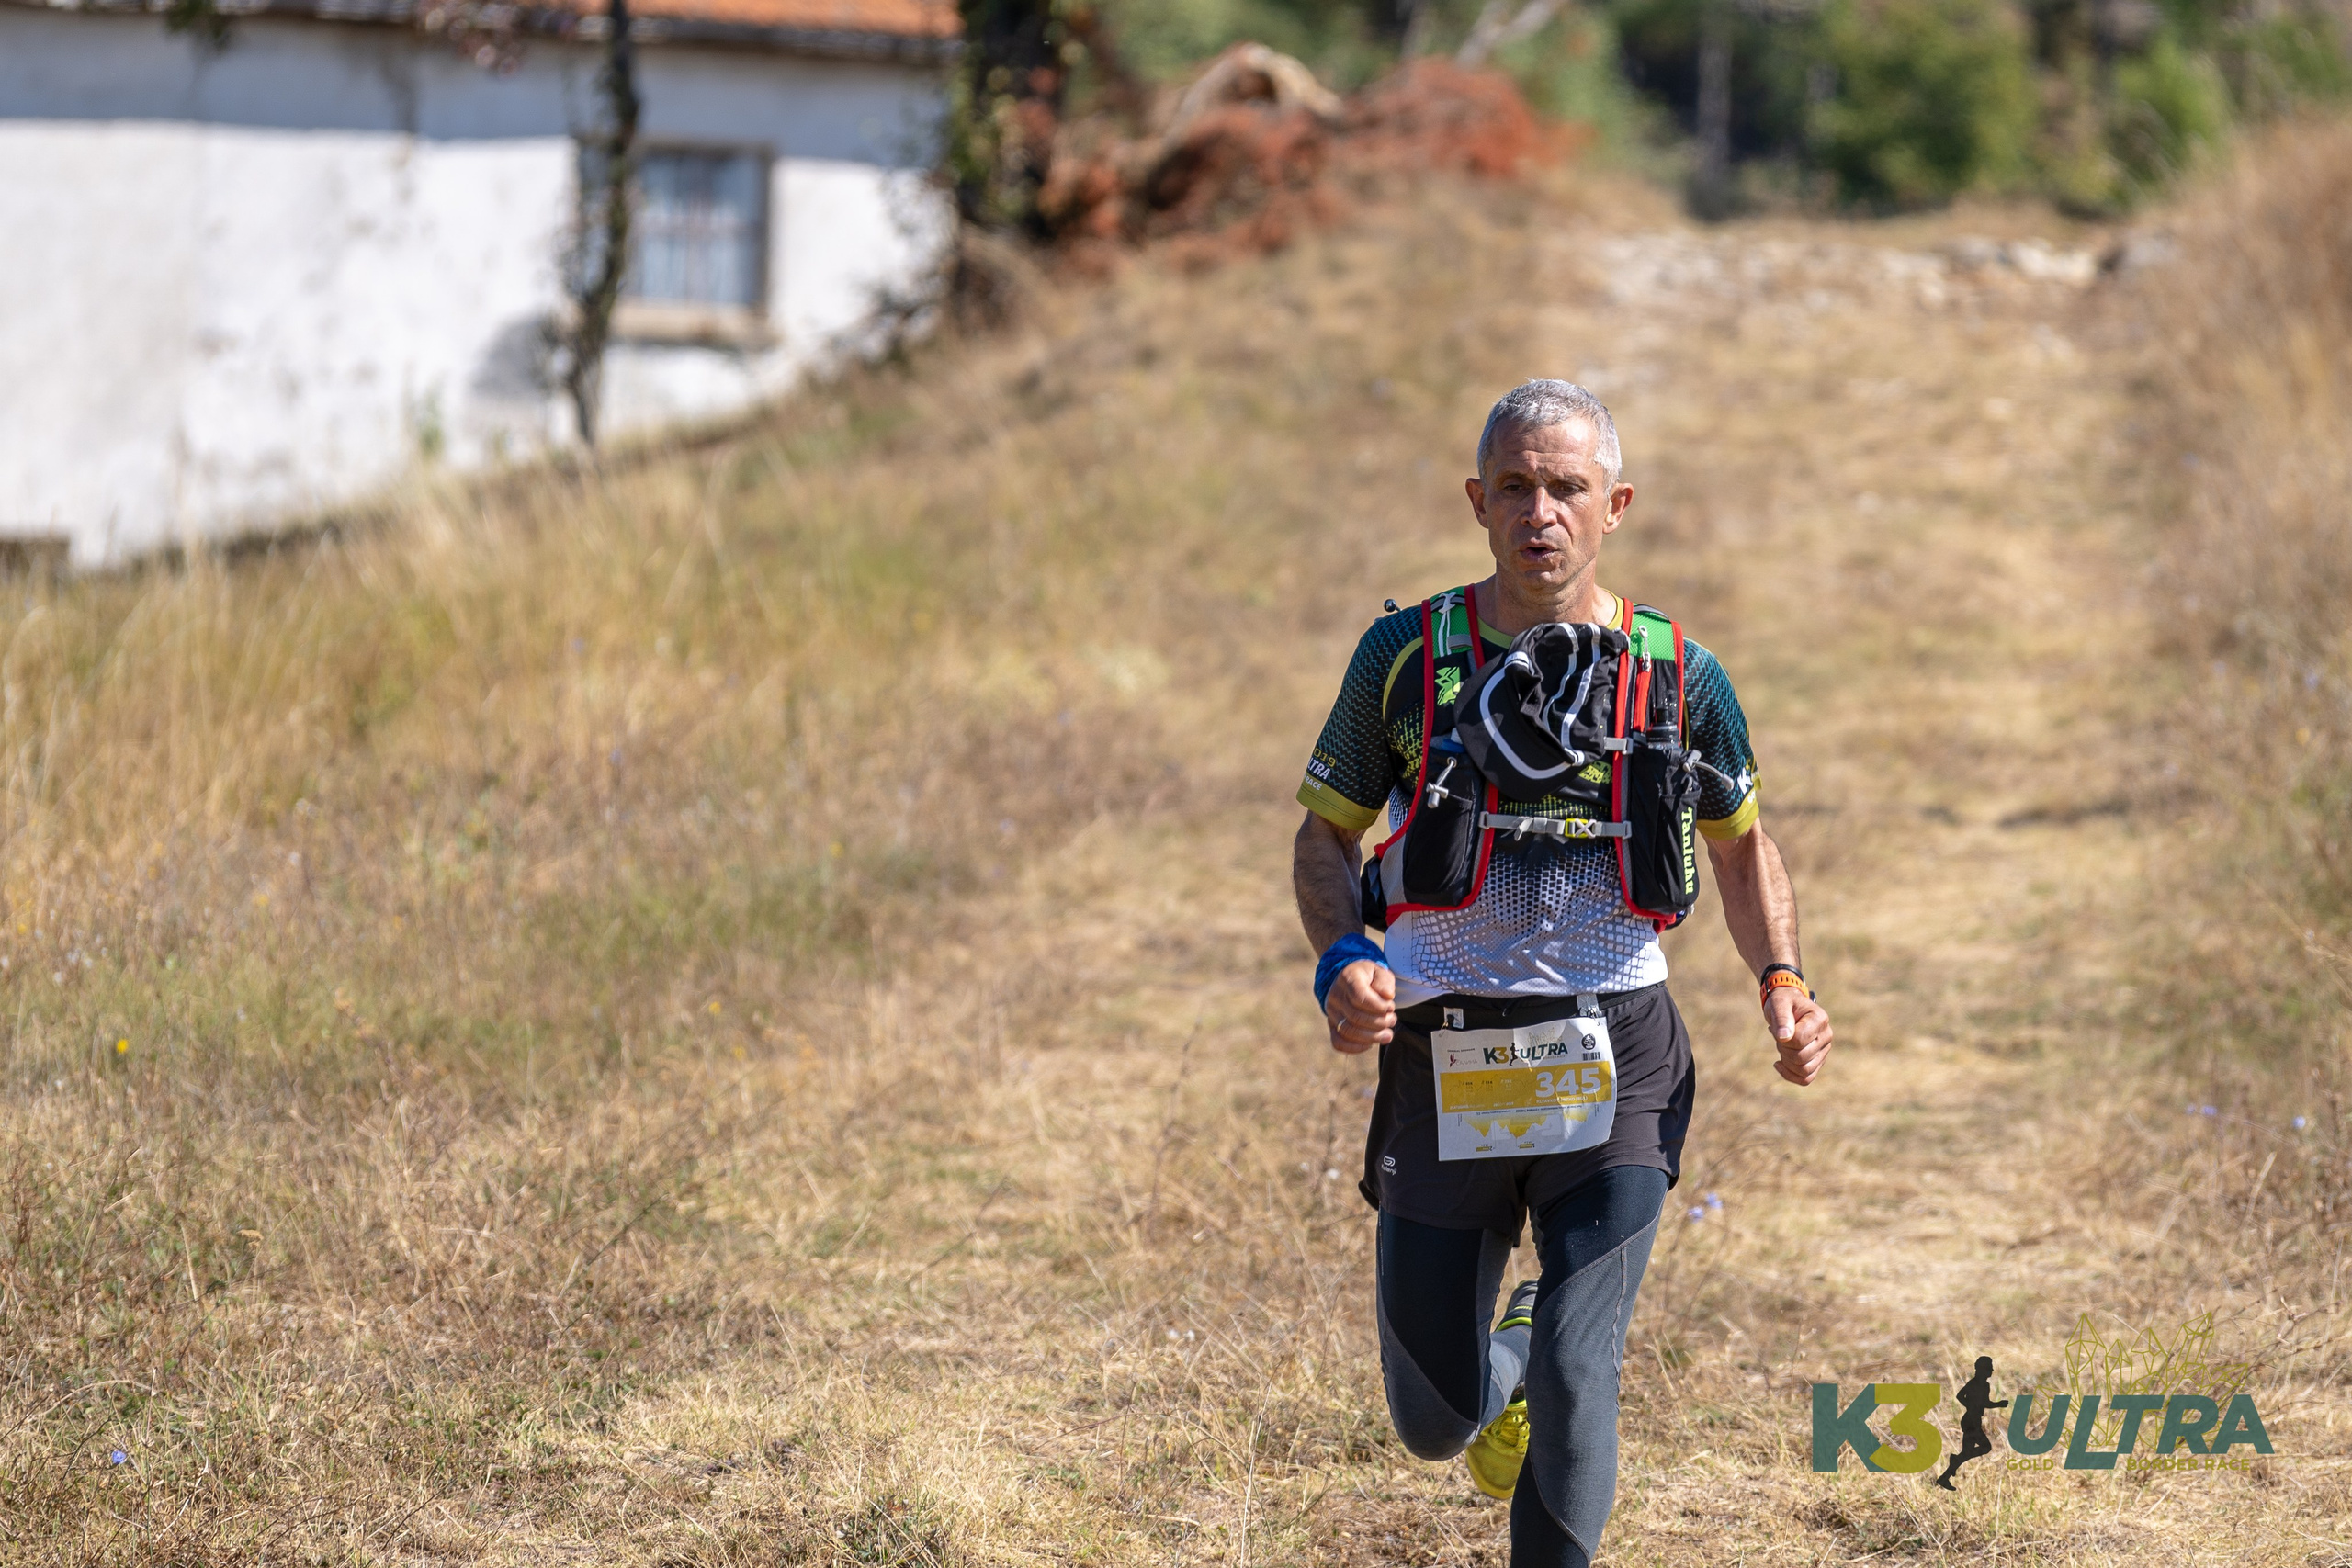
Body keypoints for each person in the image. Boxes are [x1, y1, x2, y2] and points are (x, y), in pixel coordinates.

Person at [1291, 380, 1834, 1566]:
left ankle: (1553, 1340)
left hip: (1617, 1052)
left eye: (1567, 488)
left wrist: (1781, 981)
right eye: (1517, 487)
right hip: (1443, 1055)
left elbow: (1743, 845)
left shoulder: (1681, 674)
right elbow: (1325, 835)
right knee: (1434, 1420)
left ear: (1615, 505)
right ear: (1477, 501)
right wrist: (1343, 957)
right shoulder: (1404, 656)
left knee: (1581, 1371)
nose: (1541, 512)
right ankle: (1516, 1336)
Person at [1933, 1357, 2007, 1489]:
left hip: (1975, 1420)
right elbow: (1960, 1396)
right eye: (1989, 1367)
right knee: (1986, 1447)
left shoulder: (1985, 1385)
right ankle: (1954, 1462)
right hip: (1970, 1421)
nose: (1992, 1370)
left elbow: (1984, 1403)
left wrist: (1998, 1404)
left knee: (1966, 1452)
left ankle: (1944, 1478)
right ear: (1982, 1369)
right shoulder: (1974, 1383)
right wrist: (1970, 1407)